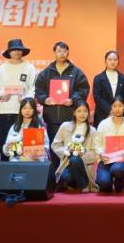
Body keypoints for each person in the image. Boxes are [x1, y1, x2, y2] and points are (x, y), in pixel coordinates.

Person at [34, 41, 90, 169]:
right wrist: (45, 99)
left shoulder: (76, 72)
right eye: (59, 51)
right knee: (55, 147)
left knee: (71, 147)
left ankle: (70, 173)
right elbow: (38, 90)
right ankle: (56, 174)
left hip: (70, 116)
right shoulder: (46, 73)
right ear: (54, 53)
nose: (61, 54)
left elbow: (84, 89)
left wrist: (73, 100)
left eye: (64, 51)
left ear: (68, 53)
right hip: (52, 117)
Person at [0, 39, 38, 157]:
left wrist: (26, 98)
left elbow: (33, 88)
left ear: (23, 52)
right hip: (5, 109)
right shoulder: (2, 68)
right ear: (9, 52)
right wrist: (1, 96)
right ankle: (4, 165)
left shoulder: (29, 68)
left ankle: (24, 164)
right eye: (13, 50)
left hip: (24, 111)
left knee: (24, 141)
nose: (17, 52)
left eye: (19, 49)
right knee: (4, 140)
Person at [51, 100, 98, 193]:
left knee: (75, 160)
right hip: (67, 163)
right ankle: (78, 184)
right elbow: (55, 144)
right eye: (79, 111)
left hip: (84, 165)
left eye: (85, 111)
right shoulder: (65, 126)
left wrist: (83, 153)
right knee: (65, 177)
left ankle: (84, 184)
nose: (82, 114)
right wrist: (66, 150)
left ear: (88, 113)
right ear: (74, 112)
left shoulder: (92, 130)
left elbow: (95, 152)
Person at [95, 96, 124, 194]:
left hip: (121, 161)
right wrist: (101, 154)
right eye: (114, 106)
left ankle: (119, 180)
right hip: (105, 161)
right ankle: (108, 179)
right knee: (104, 185)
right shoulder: (103, 124)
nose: (117, 109)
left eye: (120, 106)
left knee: (118, 169)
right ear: (111, 107)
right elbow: (97, 144)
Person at [2, 97, 49, 163]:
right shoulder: (15, 127)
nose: (27, 111)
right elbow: (7, 150)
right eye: (24, 108)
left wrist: (37, 152)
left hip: (34, 161)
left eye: (30, 108)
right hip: (16, 160)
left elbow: (46, 148)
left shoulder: (39, 127)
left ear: (34, 110)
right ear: (21, 110)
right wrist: (7, 148)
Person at [92, 50, 124, 127]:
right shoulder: (98, 78)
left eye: (115, 60)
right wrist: (110, 110)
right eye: (110, 59)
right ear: (105, 61)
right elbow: (97, 97)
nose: (112, 62)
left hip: (120, 115)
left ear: (118, 62)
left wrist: (117, 109)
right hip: (102, 114)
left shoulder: (123, 78)